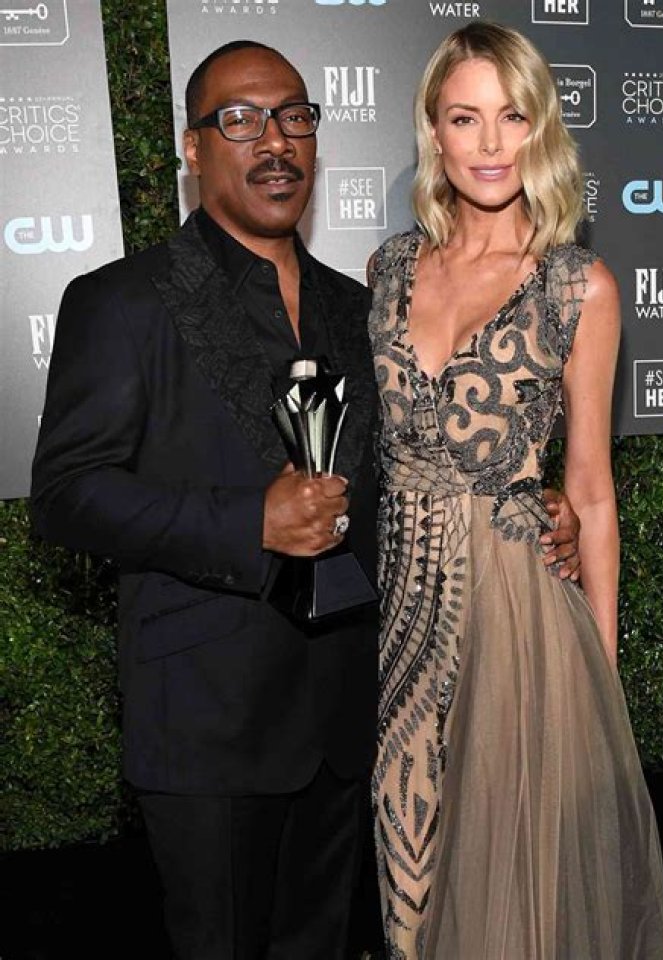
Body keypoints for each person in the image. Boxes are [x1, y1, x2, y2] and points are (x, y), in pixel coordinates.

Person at [30, 37, 581, 960]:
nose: (274, 141)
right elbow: (66, 495)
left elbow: (418, 461)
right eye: (240, 120)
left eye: (293, 117)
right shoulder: (124, 302)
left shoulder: (362, 304)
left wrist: (533, 503)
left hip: (345, 719)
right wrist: (249, 522)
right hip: (207, 727)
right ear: (194, 147)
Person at [368, 21, 663, 960]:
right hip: (404, 616)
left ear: (541, 127)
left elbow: (590, 493)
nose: (491, 143)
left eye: (513, 116)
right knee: (412, 875)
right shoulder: (388, 270)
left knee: (515, 892)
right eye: (466, 118)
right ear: (434, 130)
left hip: (520, 619)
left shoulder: (577, 286)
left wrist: (601, 688)